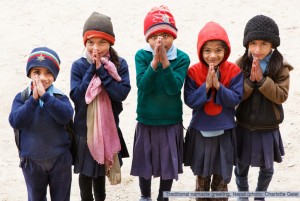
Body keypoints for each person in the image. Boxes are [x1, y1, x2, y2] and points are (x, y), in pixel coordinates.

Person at [130, 5, 190, 201]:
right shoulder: (142, 55)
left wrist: (165, 63)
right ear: (147, 38)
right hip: (147, 119)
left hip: (170, 120)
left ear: (174, 36)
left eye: (166, 34)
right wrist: (155, 62)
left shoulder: (181, 58)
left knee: (168, 164)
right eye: (155, 35)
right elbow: (143, 85)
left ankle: (163, 197)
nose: (161, 39)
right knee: (144, 163)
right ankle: (145, 196)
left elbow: (174, 88)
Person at [70, 12, 131, 201]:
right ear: (85, 43)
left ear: (110, 43)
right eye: (90, 42)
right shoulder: (78, 66)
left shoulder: (119, 65)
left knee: (99, 173)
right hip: (84, 129)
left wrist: (103, 73)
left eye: (101, 42)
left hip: (108, 128)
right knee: (86, 174)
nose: (95, 48)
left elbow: (121, 93)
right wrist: (92, 70)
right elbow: (78, 98)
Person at [234, 15, 294, 201]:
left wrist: (262, 80)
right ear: (247, 45)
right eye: (253, 43)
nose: (257, 49)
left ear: (272, 45)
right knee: (241, 166)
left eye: (263, 44)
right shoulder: (241, 64)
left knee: (267, 168)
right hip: (243, 124)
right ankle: (243, 194)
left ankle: (260, 196)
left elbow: (281, 95)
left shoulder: (280, 67)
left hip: (268, 126)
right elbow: (236, 96)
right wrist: (251, 82)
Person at [183, 21, 244, 201]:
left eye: (218, 50)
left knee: (222, 177)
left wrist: (218, 86)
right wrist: (206, 86)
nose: (213, 55)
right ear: (200, 51)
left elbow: (236, 98)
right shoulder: (194, 71)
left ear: (226, 50)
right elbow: (190, 101)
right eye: (207, 50)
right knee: (202, 178)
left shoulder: (233, 70)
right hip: (201, 130)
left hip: (225, 131)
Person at [9, 47, 74, 201]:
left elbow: (66, 116)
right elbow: (15, 121)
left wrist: (46, 98)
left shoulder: (59, 97)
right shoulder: (22, 98)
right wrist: (33, 101)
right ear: (30, 74)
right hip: (31, 161)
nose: (42, 77)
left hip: (60, 160)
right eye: (37, 72)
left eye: (48, 72)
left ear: (55, 76)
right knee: (35, 197)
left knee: (62, 197)